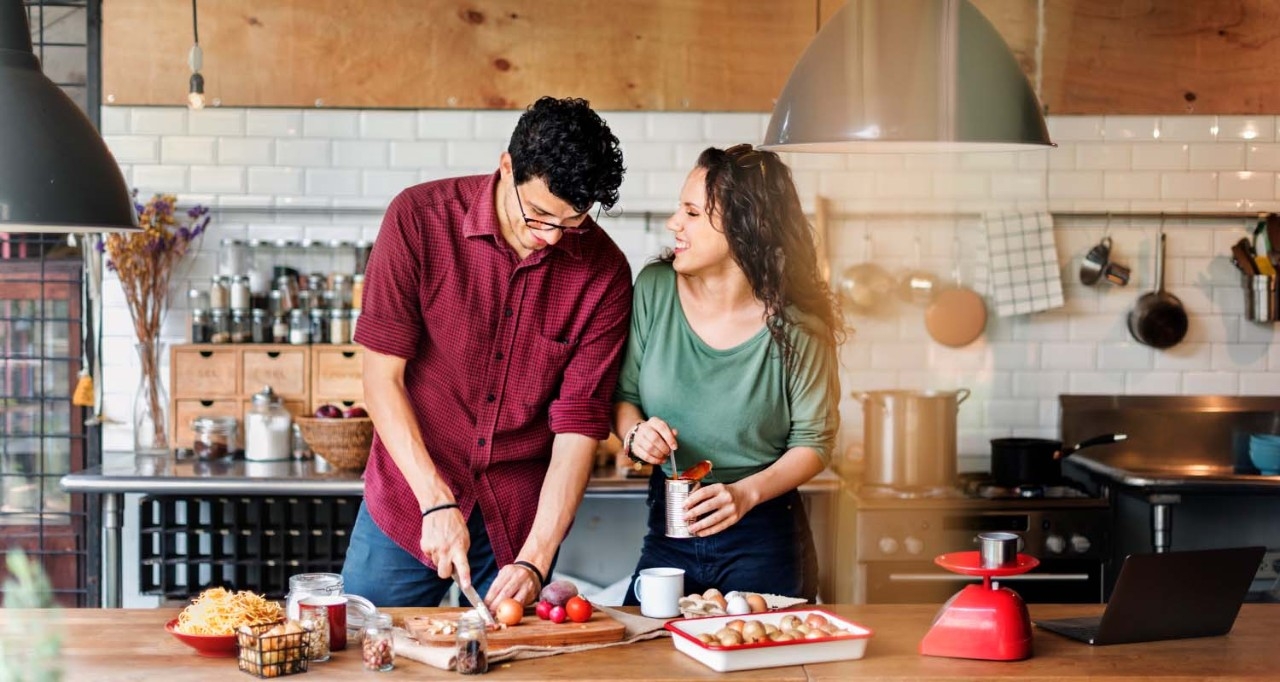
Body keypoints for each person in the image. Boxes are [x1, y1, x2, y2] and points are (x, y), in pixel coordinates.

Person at [342, 96, 632, 608]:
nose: (549, 237)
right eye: (538, 214)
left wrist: (536, 559)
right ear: (506, 167)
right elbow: (380, 380)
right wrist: (435, 503)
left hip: (517, 523)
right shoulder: (417, 220)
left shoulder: (604, 273)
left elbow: (578, 429)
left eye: (571, 223)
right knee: (371, 653)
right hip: (412, 498)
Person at [614, 144, 843, 603]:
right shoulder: (654, 289)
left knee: (765, 667)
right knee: (648, 661)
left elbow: (814, 444)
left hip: (765, 536)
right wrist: (636, 434)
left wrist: (745, 494)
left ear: (745, 228)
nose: (673, 223)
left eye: (692, 212)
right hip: (670, 525)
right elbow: (625, 396)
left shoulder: (798, 327)